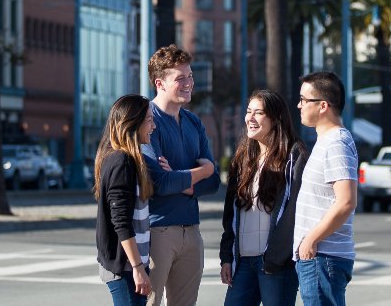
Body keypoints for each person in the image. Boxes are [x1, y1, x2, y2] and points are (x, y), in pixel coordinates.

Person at [142, 45, 220, 306]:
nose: (189, 83)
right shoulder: (146, 121)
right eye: (180, 78)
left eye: (190, 76)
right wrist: (202, 170)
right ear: (160, 83)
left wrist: (182, 179)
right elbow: (160, 183)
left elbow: (214, 182)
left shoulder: (194, 122)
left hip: (192, 230)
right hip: (157, 230)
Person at [219, 90, 310, 306]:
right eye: (248, 111)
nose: (250, 118)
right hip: (243, 262)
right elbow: (230, 215)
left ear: (276, 119)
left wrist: (279, 256)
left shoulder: (294, 155)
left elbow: (295, 210)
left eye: (258, 113)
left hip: (276, 264)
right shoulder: (242, 158)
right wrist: (227, 257)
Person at [293, 72, 359, 305]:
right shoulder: (326, 142)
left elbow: (346, 201)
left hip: (323, 257)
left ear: (323, 106)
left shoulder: (336, 143)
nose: (299, 105)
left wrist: (311, 239)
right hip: (319, 257)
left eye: (304, 100)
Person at [94, 94, 156, 305]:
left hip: (132, 265)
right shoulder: (122, 161)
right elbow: (120, 221)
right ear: (133, 123)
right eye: (149, 120)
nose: (153, 126)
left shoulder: (129, 160)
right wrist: (138, 268)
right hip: (125, 268)